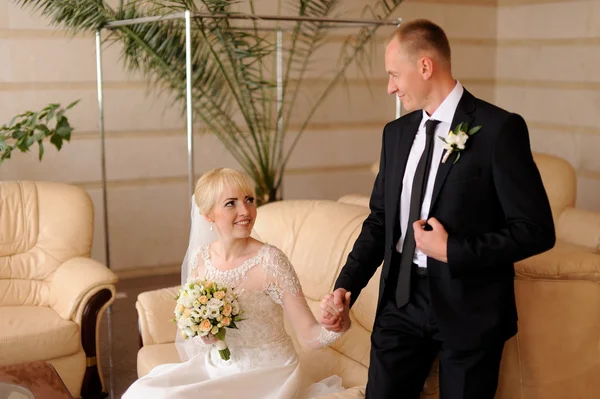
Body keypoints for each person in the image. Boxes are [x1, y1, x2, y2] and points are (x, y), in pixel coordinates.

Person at [319, 19, 555, 399]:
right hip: (400, 303)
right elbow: (379, 221)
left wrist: (453, 250)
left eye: (395, 74)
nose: (390, 87)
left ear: (425, 67)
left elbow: (536, 229)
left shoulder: (499, 129)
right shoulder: (394, 134)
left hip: (469, 311)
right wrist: (346, 285)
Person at [122, 168, 350, 399]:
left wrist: (337, 326)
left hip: (268, 373)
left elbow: (310, 336)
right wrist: (205, 335)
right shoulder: (201, 258)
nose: (245, 211)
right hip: (219, 366)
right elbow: (194, 329)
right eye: (231, 203)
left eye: (249, 200)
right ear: (208, 215)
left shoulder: (271, 261)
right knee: (140, 392)